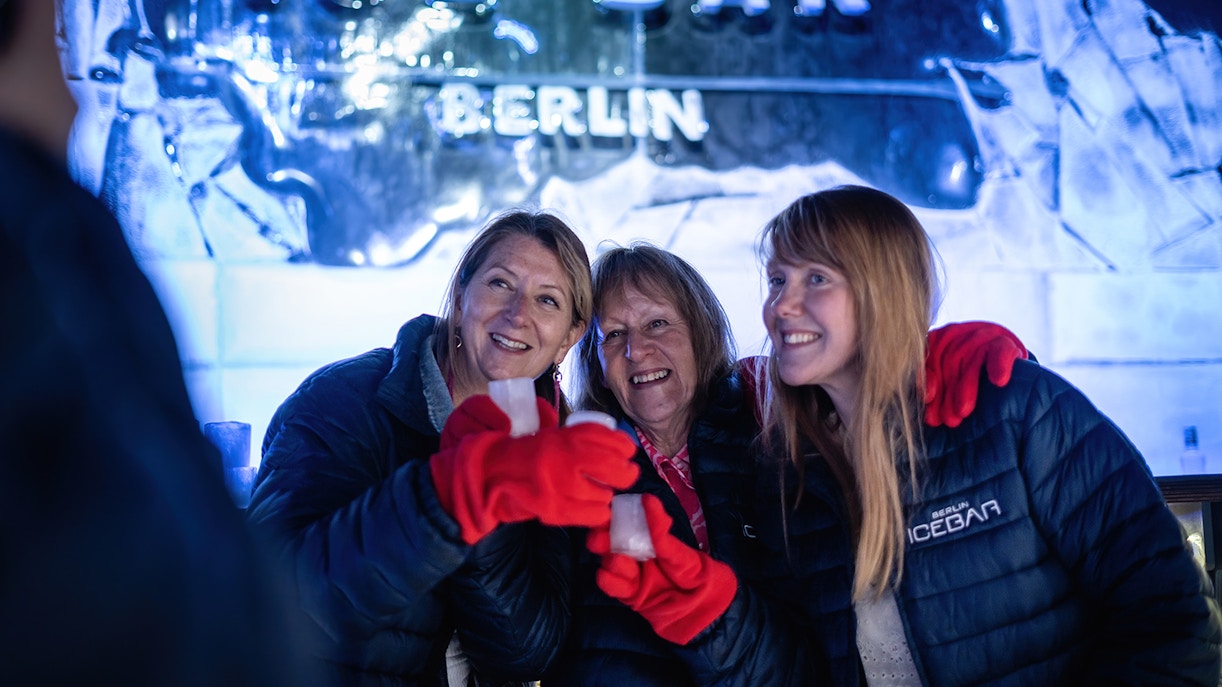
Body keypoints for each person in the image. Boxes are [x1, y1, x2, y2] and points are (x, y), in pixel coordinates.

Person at [754, 184, 1222, 686]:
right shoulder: (796, 473)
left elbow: (1174, 620)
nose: (781, 305)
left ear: (882, 290)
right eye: (778, 279)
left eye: (817, 278)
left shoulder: (1013, 409)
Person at [544, 242, 1027, 686]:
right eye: (614, 335)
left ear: (701, 329)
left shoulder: (762, 402)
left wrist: (936, 364)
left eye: (657, 324)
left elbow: (865, 391)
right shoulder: (579, 461)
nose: (636, 351)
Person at [0, 0, 311, 684]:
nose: (77, 95)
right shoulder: (37, 240)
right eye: (59, 37)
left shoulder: (56, 233)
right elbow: (184, 606)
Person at [244, 209, 641, 686]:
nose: (518, 315)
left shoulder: (551, 443)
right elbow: (274, 607)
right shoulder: (343, 402)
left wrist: (492, 509)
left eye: (548, 301)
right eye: (500, 284)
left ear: (569, 338)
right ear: (460, 294)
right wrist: (447, 499)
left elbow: (524, 655)